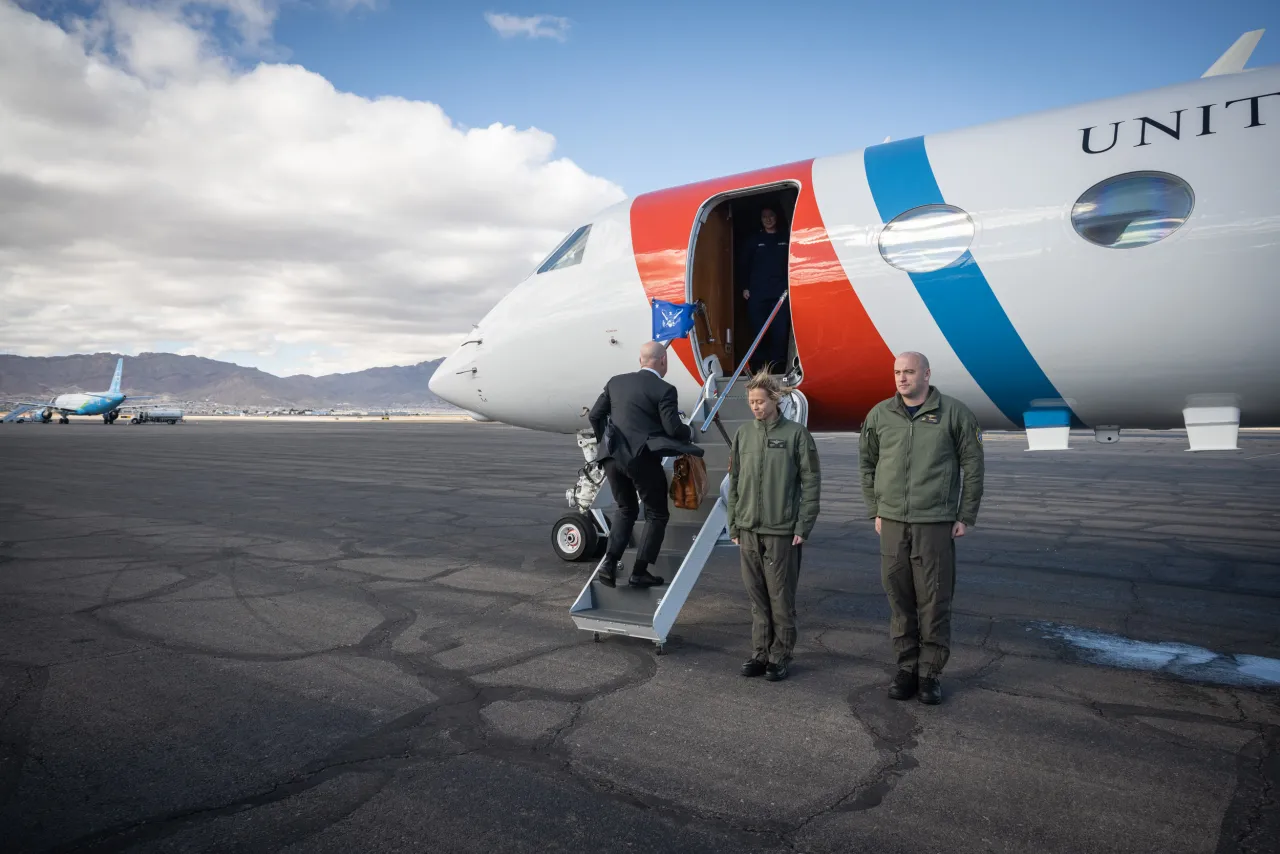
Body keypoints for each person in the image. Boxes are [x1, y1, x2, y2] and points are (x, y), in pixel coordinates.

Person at [858, 352, 984, 706]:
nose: (902, 378)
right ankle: (906, 668)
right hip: (893, 522)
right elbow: (867, 464)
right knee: (900, 599)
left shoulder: (955, 413)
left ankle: (930, 674)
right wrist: (875, 510)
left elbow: (973, 466)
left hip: (935, 522)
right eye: (897, 372)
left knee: (934, 599)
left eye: (909, 372)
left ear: (926, 374)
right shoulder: (880, 414)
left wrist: (965, 514)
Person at [726, 368, 821, 682]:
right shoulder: (744, 435)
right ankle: (759, 654)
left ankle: (780, 656)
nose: (755, 407)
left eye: (760, 401)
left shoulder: (796, 435)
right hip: (748, 528)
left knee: (780, 598)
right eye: (751, 402)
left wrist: (802, 525)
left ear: (775, 400)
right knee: (757, 598)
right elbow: (735, 482)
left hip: (781, 530)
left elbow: (811, 483)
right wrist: (734, 525)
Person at [588, 341, 703, 589]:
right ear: (663, 361)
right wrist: (688, 431)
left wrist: (605, 444)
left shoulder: (615, 382)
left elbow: (595, 415)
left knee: (626, 509)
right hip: (641, 458)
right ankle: (639, 571)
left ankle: (608, 564)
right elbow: (673, 428)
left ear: (641, 360)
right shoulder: (664, 389)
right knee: (656, 513)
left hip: (611, 457)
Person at [738, 206, 791, 373]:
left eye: (771, 215)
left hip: (780, 294)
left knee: (780, 332)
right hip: (757, 294)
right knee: (759, 331)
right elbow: (743, 265)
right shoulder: (754, 240)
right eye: (764, 216)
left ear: (777, 217)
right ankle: (759, 367)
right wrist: (744, 287)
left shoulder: (786, 237)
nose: (768, 219)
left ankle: (778, 368)